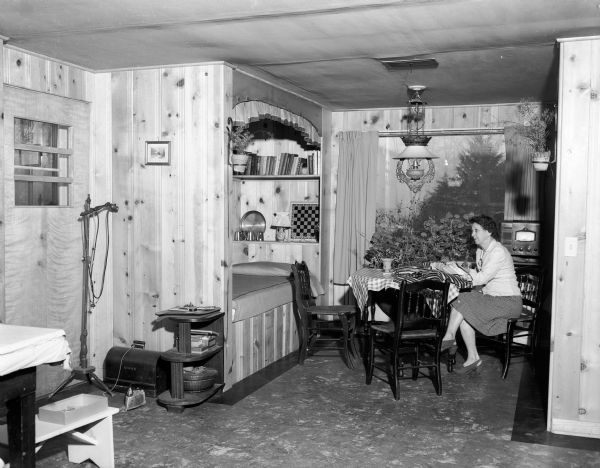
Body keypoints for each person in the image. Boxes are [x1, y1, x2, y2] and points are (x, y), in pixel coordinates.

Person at [440, 215, 522, 374]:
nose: (473, 234)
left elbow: (481, 278)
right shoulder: (481, 251)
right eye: (472, 231)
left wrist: (457, 270)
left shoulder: (498, 251)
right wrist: (458, 267)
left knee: (461, 299)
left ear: (489, 231)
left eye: (476, 230)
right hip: (493, 298)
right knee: (465, 312)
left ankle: (449, 336)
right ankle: (473, 358)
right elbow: (479, 276)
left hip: (508, 302)